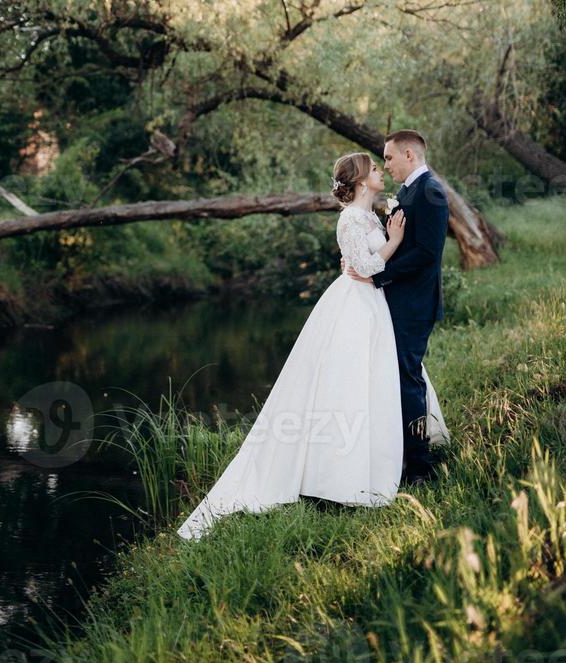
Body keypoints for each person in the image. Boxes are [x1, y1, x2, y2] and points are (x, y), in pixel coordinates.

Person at [176, 151, 449, 542]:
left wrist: (390, 237)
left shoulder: (372, 215)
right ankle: (343, 473)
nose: (380, 171)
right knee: (350, 385)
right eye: (374, 168)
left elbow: (370, 259)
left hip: (375, 305)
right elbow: (370, 268)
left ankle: (395, 455)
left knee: (379, 378)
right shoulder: (350, 218)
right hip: (356, 303)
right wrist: (397, 240)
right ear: (359, 181)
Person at [345, 129, 450, 484]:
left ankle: (419, 466)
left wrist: (379, 275)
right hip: (397, 301)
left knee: (408, 380)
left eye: (389, 158)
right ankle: (402, 453)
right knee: (397, 377)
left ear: (410, 155)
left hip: (414, 304)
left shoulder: (431, 192)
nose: (385, 164)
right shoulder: (408, 191)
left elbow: (427, 253)